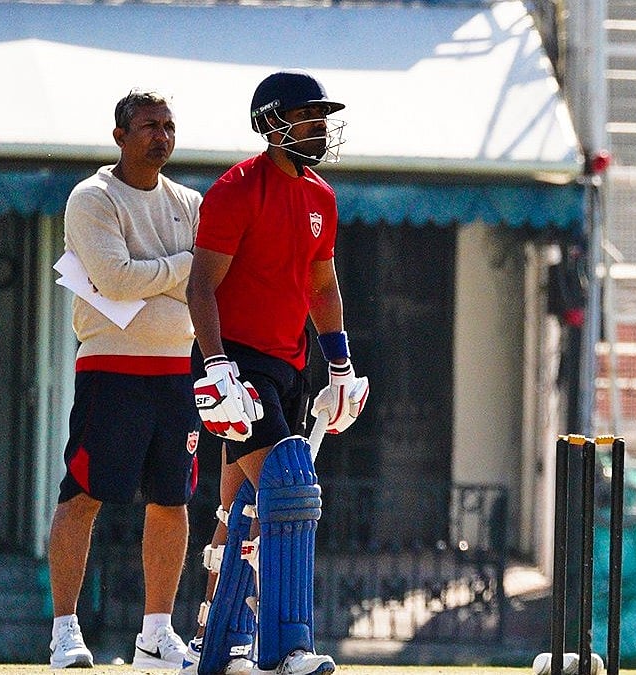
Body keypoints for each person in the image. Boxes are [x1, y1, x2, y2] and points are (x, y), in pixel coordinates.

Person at [183, 69, 368, 675]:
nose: (319, 128)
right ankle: (287, 648)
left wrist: (338, 364)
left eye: (321, 117)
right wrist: (216, 366)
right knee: (290, 491)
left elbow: (321, 285)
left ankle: (216, 646)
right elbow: (200, 286)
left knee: (240, 505)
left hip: (289, 364)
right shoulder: (236, 189)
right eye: (306, 116)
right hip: (236, 358)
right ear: (270, 122)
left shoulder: (321, 197)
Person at [47, 89, 200, 669]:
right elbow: (112, 279)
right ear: (119, 136)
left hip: (177, 367)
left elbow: (208, 280)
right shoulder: (92, 197)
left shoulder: (190, 201)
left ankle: (155, 635)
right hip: (111, 366)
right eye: (147, 126)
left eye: (168, 125)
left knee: (173, 498)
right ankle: (65, 630)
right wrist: (181, 269)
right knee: (84, 493)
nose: (160, 135)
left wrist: (157, 276)